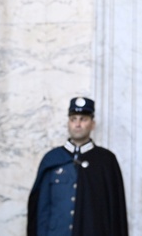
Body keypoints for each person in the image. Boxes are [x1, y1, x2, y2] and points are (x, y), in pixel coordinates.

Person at [27, 97, 129, 236]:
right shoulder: (52, 159)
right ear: (68, 123)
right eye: (73, 119)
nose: (78, 124)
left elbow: (115, 212)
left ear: (92, 124)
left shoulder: (106, 161)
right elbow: (41, 208)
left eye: (83, 119)